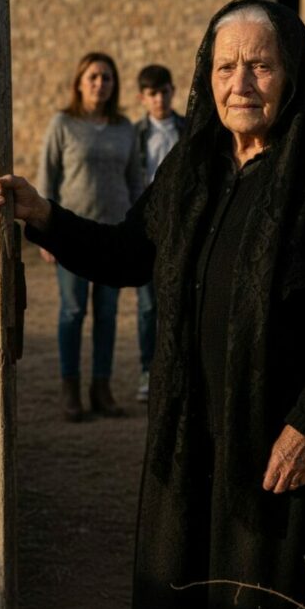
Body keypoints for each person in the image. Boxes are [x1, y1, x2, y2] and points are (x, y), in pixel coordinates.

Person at [0, 0, 305, 609]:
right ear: (207, 76)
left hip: (281, 456)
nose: (242, 83)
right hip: (192, 438)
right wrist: (45, 215)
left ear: (292, 74)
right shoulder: (192, 169)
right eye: (226, 67)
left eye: (260, 66)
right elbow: (128, 254)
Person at [36, 52, 142, 422]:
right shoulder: (63, 124)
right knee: (72, 311)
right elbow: (47, 178)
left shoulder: (125, 127)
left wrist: (141, 228)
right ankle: (71, 392)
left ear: (114, 85)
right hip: (71, 234)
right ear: (80, 82)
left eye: (107, 78)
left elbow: (136, 181)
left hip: (114, 236)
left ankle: (102, 388)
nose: (100, 83)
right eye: (94, 77)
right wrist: (47, 234)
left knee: (108, 314)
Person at [133, 64, 185, 401]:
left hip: (182, 225)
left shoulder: (188, 128)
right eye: (152, 93)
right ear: (143, 98)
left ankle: (178, 371)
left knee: (181, 300)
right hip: (149, 227)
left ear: (172, 91)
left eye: (164, 91)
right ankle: (148, 370)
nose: (159, 99)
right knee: (149, 304)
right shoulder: (135, 134)